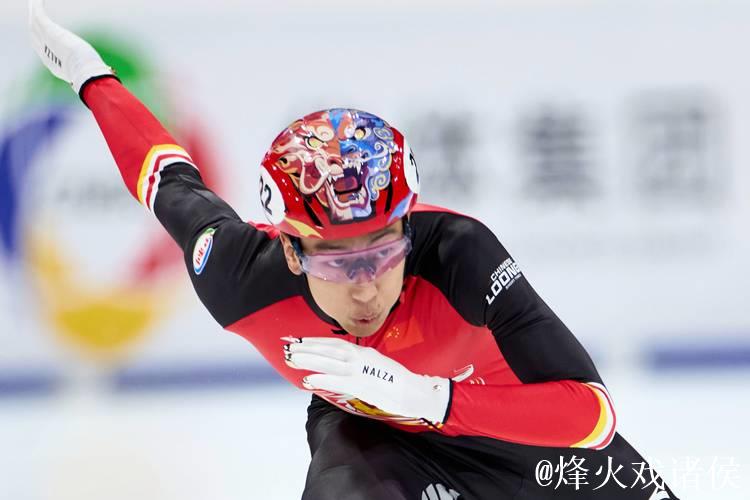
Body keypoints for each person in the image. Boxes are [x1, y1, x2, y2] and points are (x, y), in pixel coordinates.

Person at [29, 1, 680, 499]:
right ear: (291, 252)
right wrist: (95, 79)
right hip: (378, 444)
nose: (366, 284)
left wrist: (432, 399)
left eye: (383, 253)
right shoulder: (241, 278)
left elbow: (592, 414)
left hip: (522, 436)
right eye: (338, 262)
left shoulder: (460, 256)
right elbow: (169, 181)